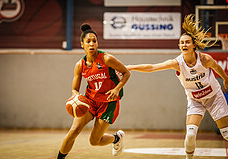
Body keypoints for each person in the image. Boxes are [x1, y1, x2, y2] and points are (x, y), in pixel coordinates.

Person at [126, 14, 228, 159]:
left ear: (194, 45)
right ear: (179, 46)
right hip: (195, 101)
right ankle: (188, 158)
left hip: (214, 97)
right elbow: (152, 67)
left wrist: (225, 79)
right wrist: (131, 67)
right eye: (182, 43)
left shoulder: (205, 59)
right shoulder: (177, 63)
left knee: (226, 133)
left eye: (187, 42)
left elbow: (217, 68)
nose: (184, 45)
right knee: (191, 134)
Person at [57, 23, 130, 159]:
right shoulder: (80, 65)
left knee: (94, 141)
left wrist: (117, 88)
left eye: (94, 41)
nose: (92, 44)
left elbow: (126, 73)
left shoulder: (106, 59)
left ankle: (116, 138)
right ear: (82, 44)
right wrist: (76, 96)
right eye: (88, 41)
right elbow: (74, 89)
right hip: (90, 101)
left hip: (109, 103)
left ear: (97, 43)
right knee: (73, 132)